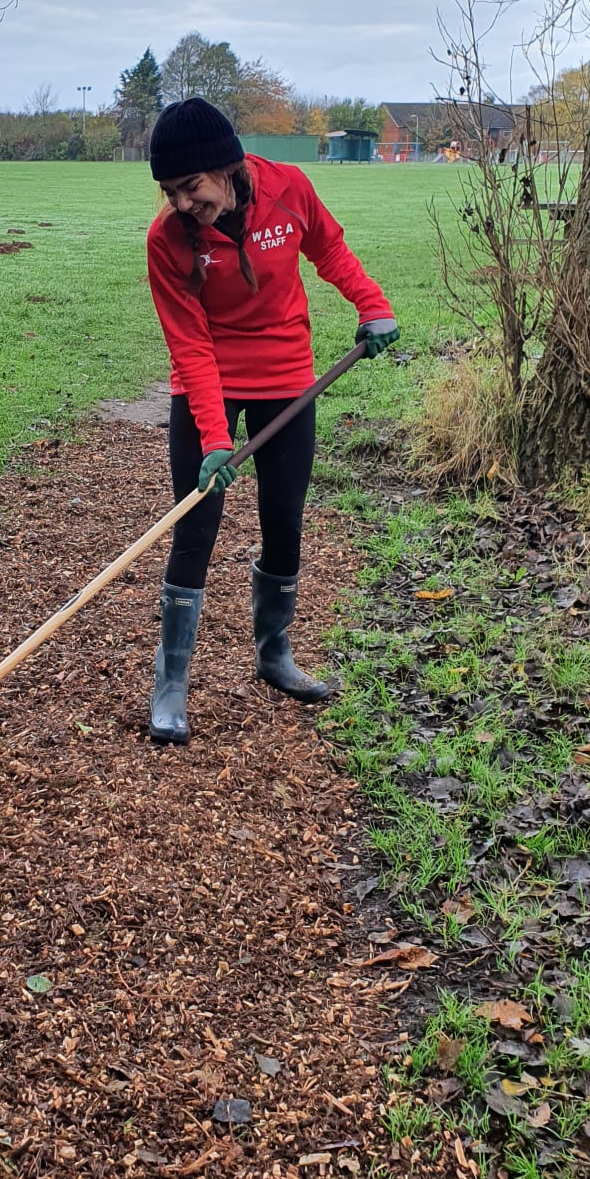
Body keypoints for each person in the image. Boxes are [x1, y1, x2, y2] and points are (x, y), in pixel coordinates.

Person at [144, 97, 399, 745]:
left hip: (286, 376)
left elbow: (330, 249)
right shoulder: (167, 240)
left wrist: (372, 305)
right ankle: (171, 683)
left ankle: (273, 654)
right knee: (194, 528)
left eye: (191, 187)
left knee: (284, 520)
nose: (182, 204)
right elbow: (190, 346)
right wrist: (214, 438)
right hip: (209, 376)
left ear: (227, 167)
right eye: (170, 192)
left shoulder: (289, 190)